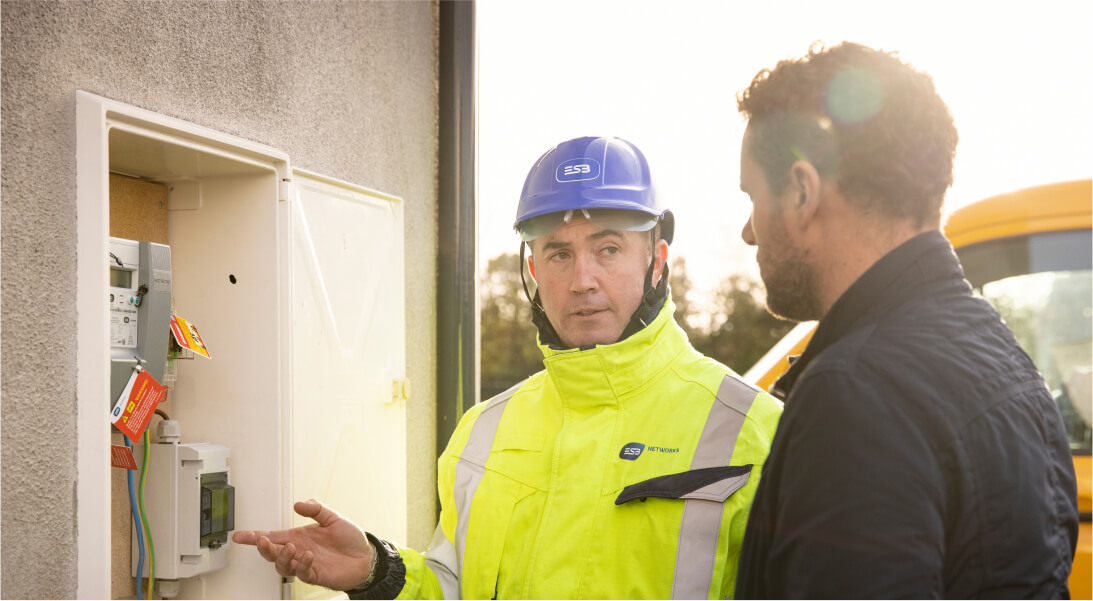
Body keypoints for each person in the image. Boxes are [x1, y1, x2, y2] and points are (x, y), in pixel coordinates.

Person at [234, 136, 783, 599]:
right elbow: (452, 586)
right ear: (533, 270)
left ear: (656, 261)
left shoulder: (756, 432)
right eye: (559, 253)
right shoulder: (481, 435)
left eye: (609, 248)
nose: (582, 278)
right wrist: (378, 571)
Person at [731, 41, 1079, 598]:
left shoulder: (856, 394)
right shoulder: (1004, 355)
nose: (748, 231)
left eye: (751, 196)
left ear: (801, 190)